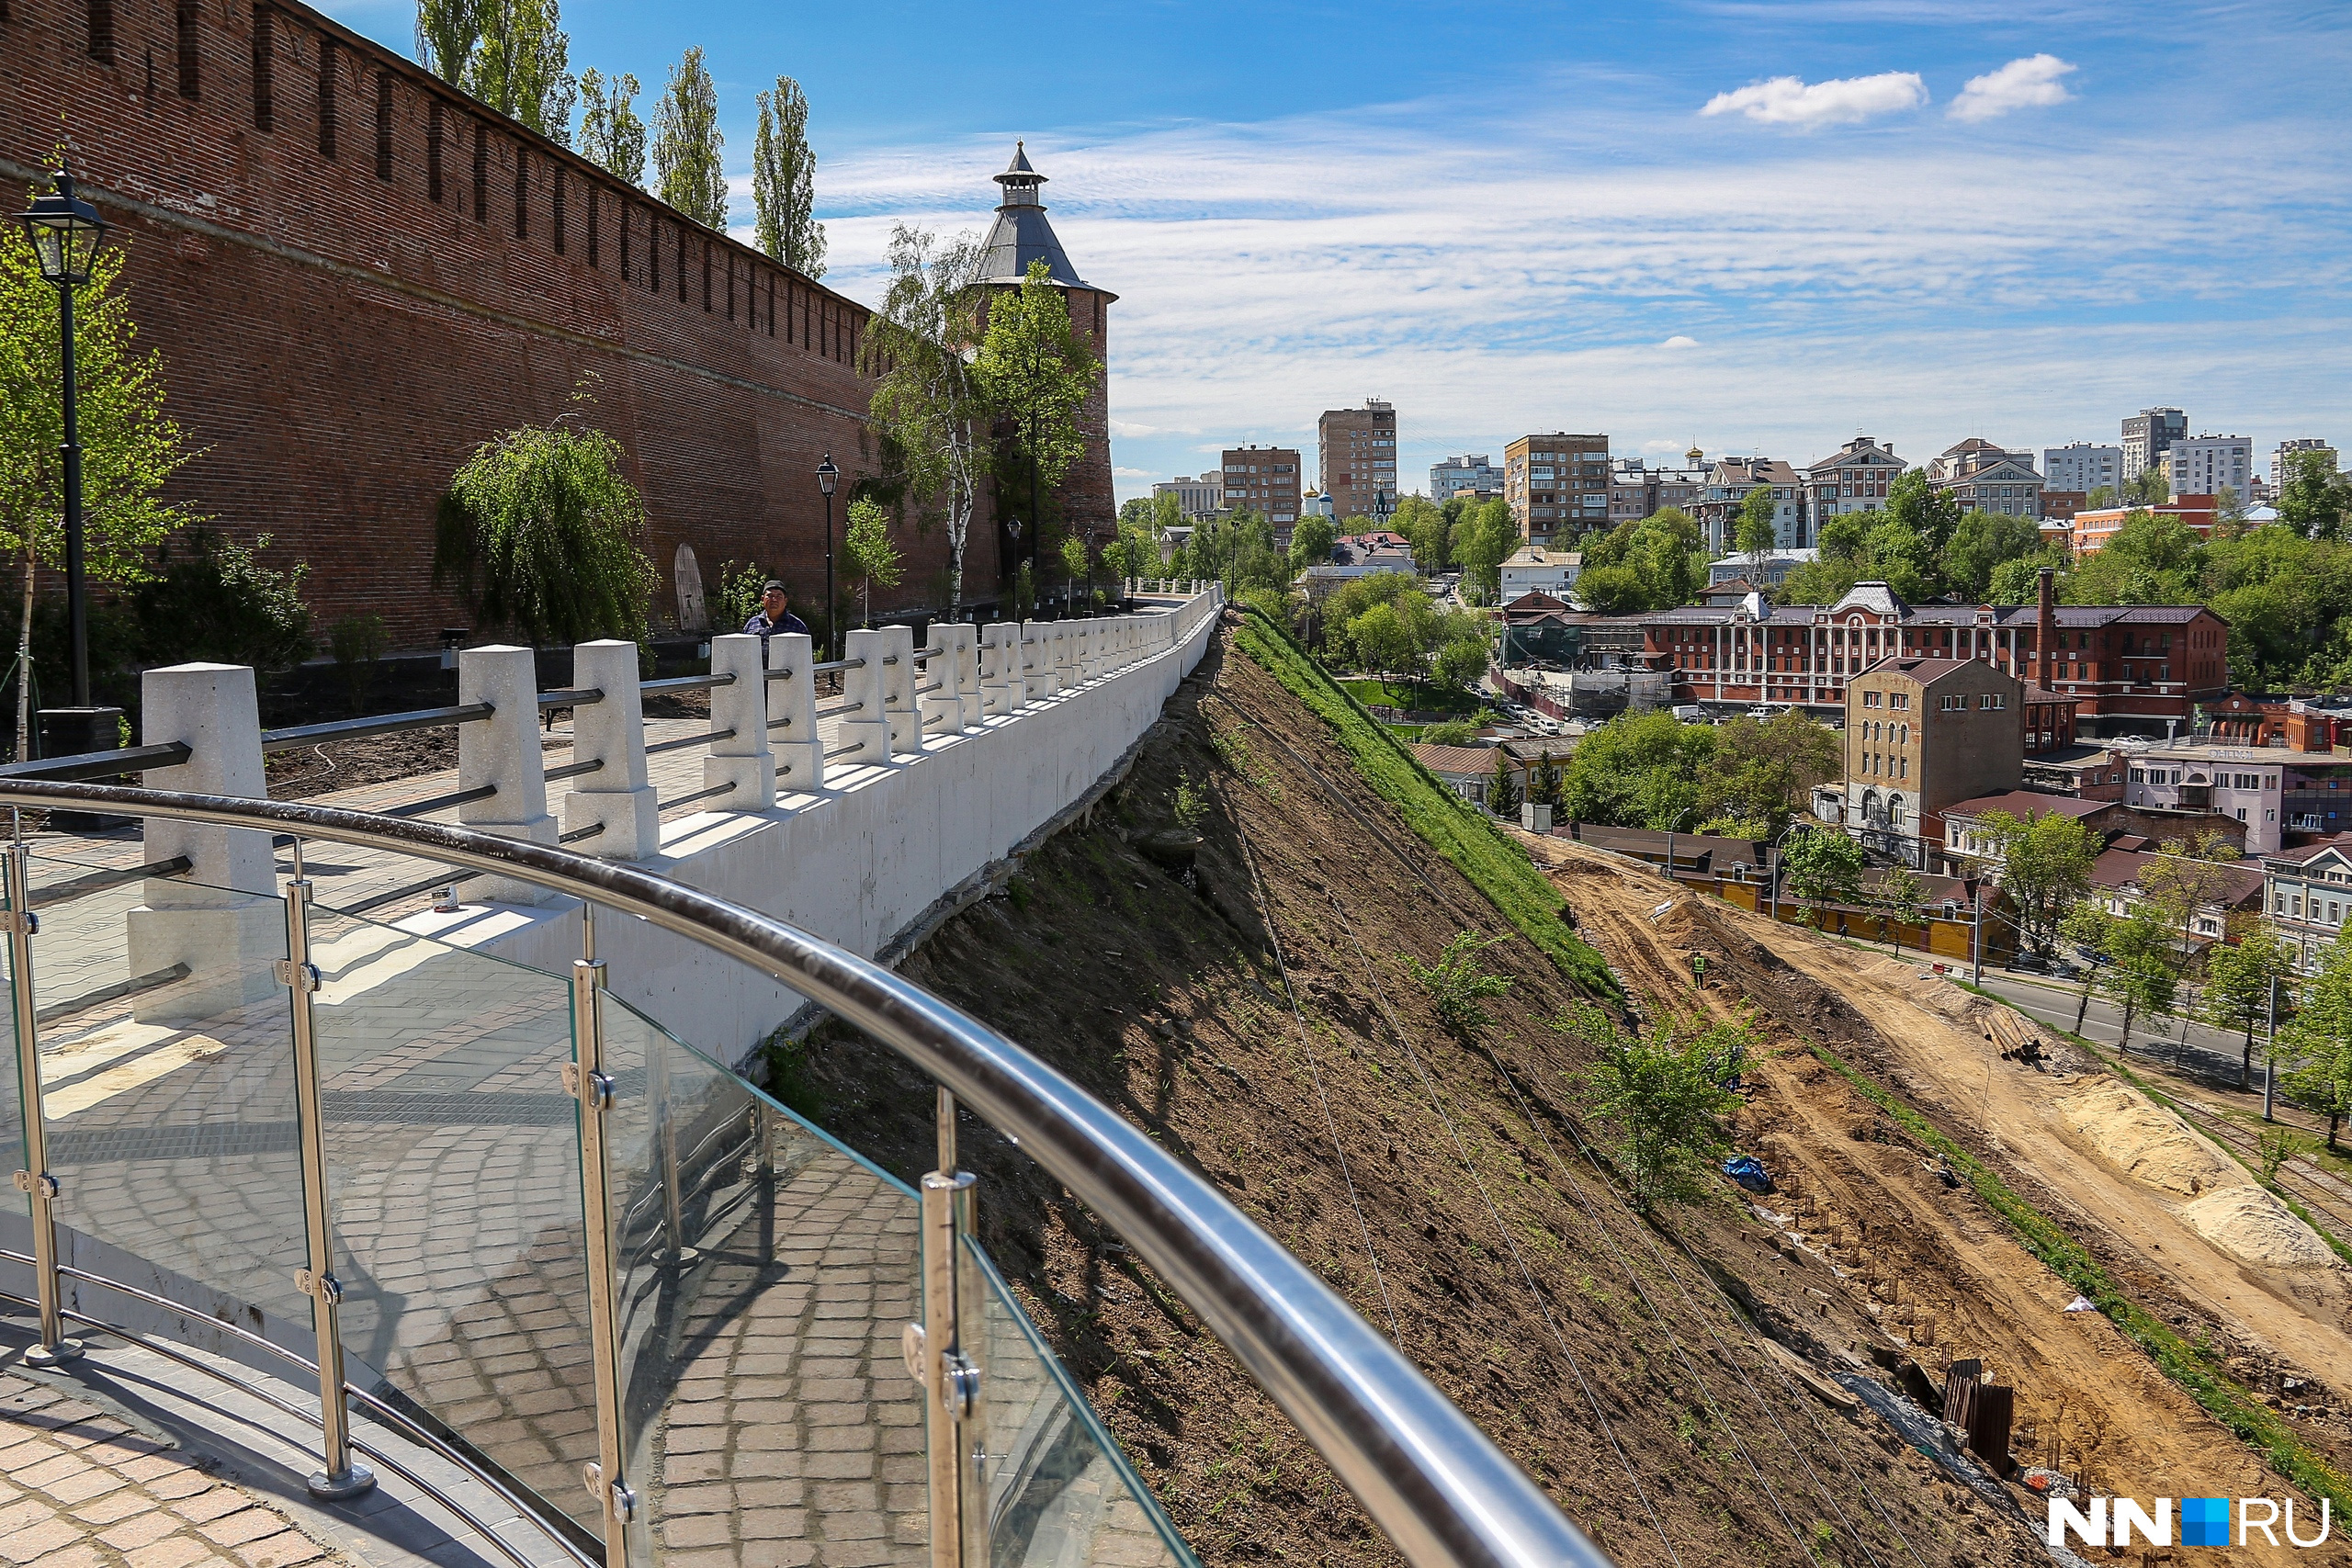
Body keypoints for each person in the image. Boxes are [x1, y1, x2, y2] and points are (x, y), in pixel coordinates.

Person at [743, 581, 810, 655]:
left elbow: (805, 655)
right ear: (762, 599)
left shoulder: (797, 626)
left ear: (785, 601)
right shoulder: (752, 624)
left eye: (779, 596)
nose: (774, 600)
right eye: (770, 596)